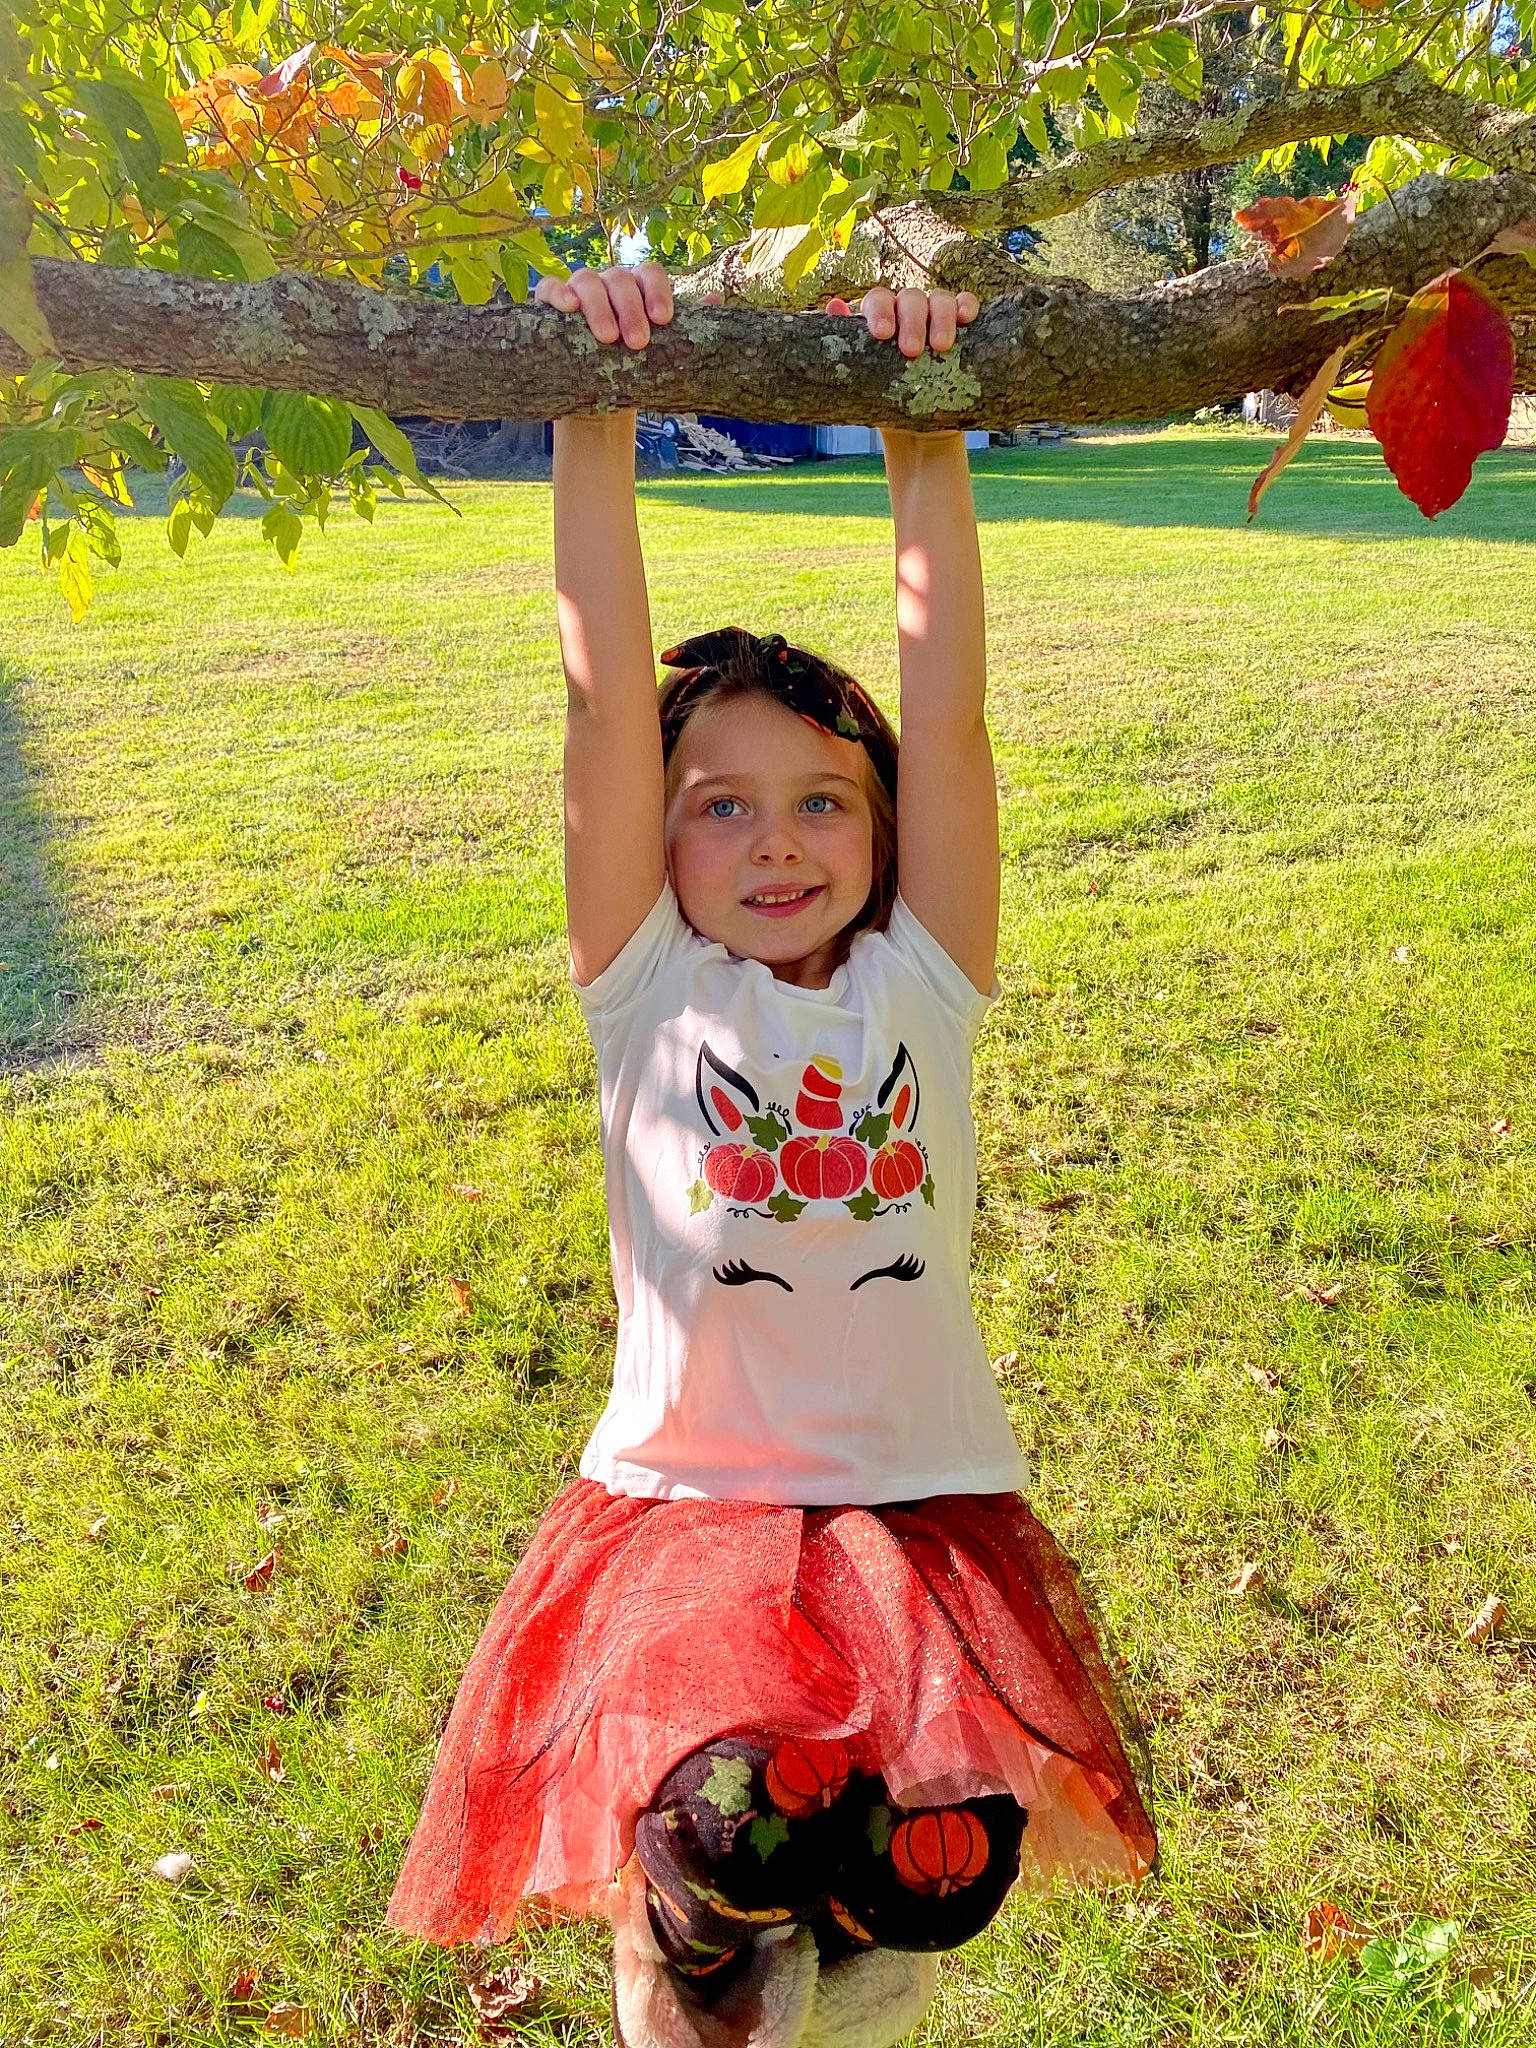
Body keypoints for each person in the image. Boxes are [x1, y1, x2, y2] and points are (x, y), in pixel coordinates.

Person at [387, 263, 1155, 2048]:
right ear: (659, 845)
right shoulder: (643, 986)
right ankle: (702, 1943)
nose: (778, 839)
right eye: (719, 804)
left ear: (885, 830)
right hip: (690, 1515)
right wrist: (594, 409)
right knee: (718, 1835)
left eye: (825, 799)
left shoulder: (928, 981)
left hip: (911, 1513)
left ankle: (856, 1924)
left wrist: (925, 449)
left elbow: (950, 719)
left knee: (924, 1873)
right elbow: (598, 714)